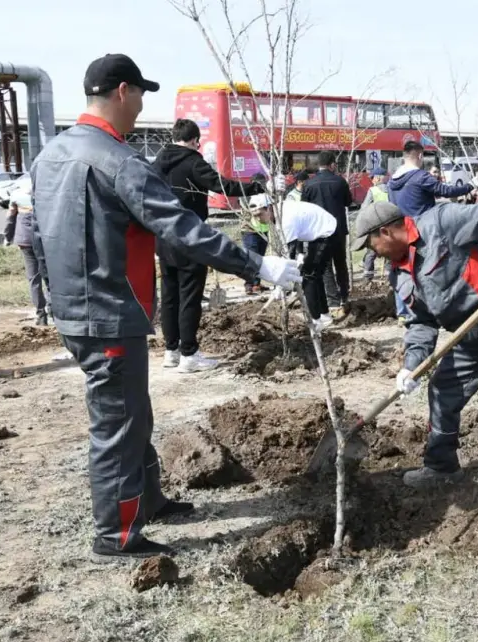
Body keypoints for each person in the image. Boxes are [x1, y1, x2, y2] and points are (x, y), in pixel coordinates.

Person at [31, 54, 301, 559]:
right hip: (107, 309)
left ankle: (148, 499)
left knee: (135, 411)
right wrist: (258, 266)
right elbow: (181, 227)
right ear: (122, 92)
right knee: (117, 423)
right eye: (140, 95)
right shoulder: (117, 160)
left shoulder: (51, 154)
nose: (141, 107)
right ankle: (117, 534)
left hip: (77, 306)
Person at [351, 200, 478, 516]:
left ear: (385, 231)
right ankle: (441, 467)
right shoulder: (399, 274)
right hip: (468, 332)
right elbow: (420, 322)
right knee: (442, 390)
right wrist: (411, 365)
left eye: (371, 245)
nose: (372, 253)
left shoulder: (441, 224)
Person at [152, 118, 264, 370]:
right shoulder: (192, 161)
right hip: (190, 236)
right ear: (194, 140)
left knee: (169, 296)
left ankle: (171, 351)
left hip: (162, 237)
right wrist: (257, 186)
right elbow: (221, 185)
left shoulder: (158, 162)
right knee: (190, 295)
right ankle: (189, 355)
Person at [248, 194, 337, 329]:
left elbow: (288, 253)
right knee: (314, 276)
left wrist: (279, 283)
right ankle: (324, 315)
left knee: (307, 278)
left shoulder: (285, 219)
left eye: (259, 214)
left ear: (269, 208)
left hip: (326, 233)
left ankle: (316, 321)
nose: (258, 219)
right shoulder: (279, 212)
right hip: (318, 234)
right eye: (254, 215)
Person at [301, 150, 353, 316]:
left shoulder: (309, 184)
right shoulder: (340, 182)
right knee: (340, 262)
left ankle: (332, 300)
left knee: (325, 266)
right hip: (338, 230)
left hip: (318, 232)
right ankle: (344, 294)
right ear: (332, 164)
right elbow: (348, 202)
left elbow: (304, 208)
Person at [388, 140, 474, 218]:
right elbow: (447, 191)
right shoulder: (421, 176)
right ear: (420, 156)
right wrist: (470, 185)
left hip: (403, 230)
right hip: (424, 229)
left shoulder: (391, 181)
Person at [8, 189, 49, 326]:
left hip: (26, 241)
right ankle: (55, 312)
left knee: (34, 279)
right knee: (50, 277)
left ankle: (41, 315)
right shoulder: (47, 194)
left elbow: (10, 217)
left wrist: (7, 236)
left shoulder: (17, 196)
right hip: (46, 241)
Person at [361, 167, 390, 280]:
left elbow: (364, 208)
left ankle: (367, 278)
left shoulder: (373, 191)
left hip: (376, 227)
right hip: (390, 227)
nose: (371, 180)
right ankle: (390, 278)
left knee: (371, 252)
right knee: (389, 252)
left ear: (377, 178)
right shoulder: (392, 189)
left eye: (372, 178)